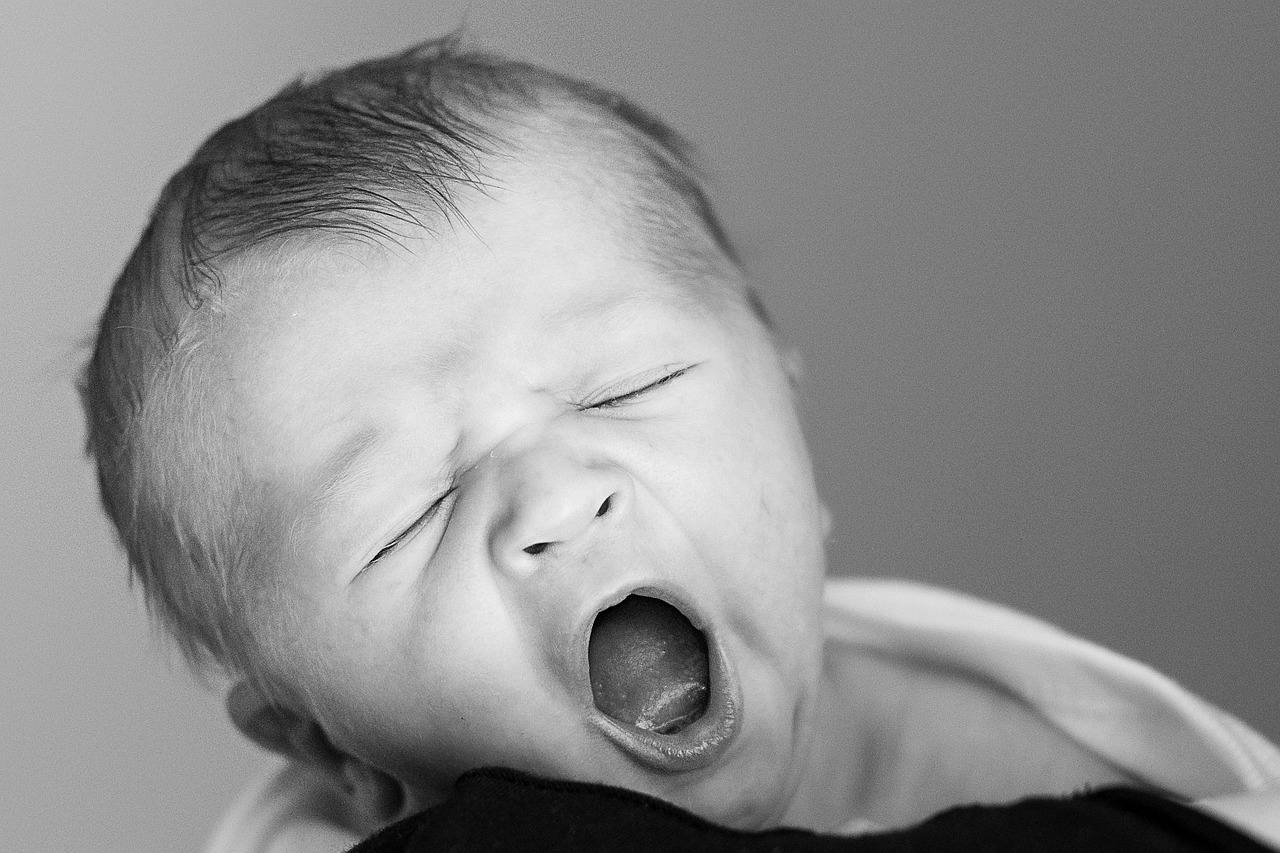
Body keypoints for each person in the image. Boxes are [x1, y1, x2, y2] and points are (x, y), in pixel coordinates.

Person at [79, 38, 1280, 853]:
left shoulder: (1059, 772)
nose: (558, 495)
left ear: (794, 449)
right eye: (405, 512)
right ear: (322, 742)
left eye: (625, 387)